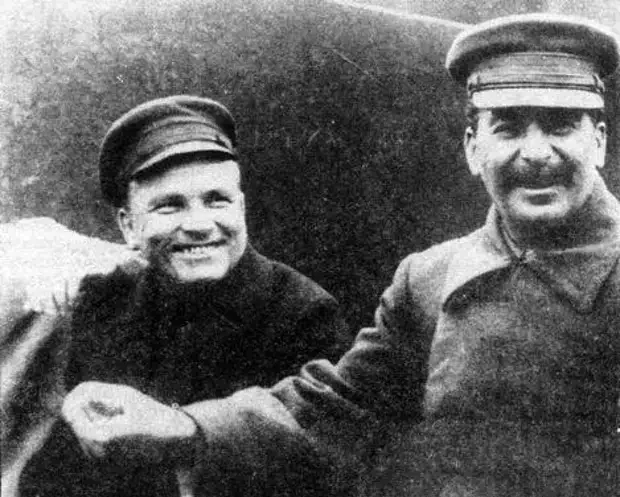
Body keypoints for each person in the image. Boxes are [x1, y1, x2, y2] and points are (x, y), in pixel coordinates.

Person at [58, 14, 620, 497]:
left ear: (598, 140)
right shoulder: (427, 279)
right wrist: (183, 427)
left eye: (561, 124)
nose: (536, 152)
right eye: (508, 127)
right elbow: (336, 408)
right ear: (474, 149)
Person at [14, 96, 349, 497]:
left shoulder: (303, 313)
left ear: (241, 207)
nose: (199, 225)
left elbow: (315, 465)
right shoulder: (106, 303)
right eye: (170, 206)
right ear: (128, 226)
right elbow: (61, 468)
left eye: (217, 200)